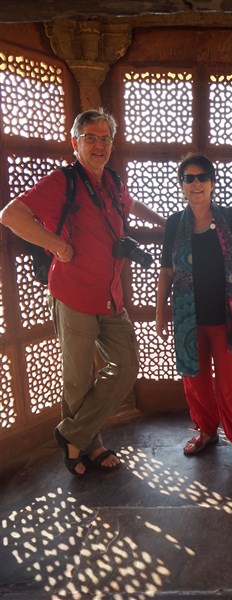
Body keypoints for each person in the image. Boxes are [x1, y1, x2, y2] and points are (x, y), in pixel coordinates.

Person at [0, 108, 166, 476]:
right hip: (73, 294)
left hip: (110, 296)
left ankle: (71, 434)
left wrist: (165, 223)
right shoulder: (63, 181)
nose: (99, 145)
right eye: (91, 138)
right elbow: (11, 215)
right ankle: (88, 446)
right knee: (77, 378)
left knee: (126, 365)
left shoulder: (112, 181)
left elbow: (130, 203)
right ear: (75, 142)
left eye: (105, 138)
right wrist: (57, 245)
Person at [156, 153, 232, 475]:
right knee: (195, 382)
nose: (196, 183)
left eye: (202, 177)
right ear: (182, 185)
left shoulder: (229, 218)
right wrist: (160, 312)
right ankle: (206, 431)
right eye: (189, 178)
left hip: (226, 318)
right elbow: (167, 272)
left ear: (212, 183)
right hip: (189, 320)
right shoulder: (175, 224)